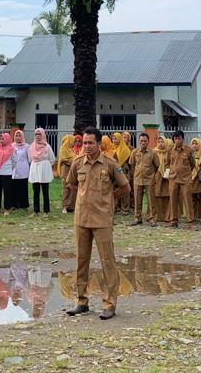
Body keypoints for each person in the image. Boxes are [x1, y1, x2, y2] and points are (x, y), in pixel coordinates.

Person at [64, 126, 130, 320]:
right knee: (81, 261)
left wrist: (109, 197)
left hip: (102, 219)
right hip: (82, 219)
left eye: (90, 142)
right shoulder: (77, 163)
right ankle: (81, 301)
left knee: (107, 261)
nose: (86, 146)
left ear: (99, 144)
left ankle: (109, 304)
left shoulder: (109, 163)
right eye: (84, 142)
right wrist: (84, 197)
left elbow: (125, 187)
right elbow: (71, 183)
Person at [165, 130, 196, 228]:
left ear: (183, 139)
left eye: (179, 139)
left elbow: (192, 164)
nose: (177, 141)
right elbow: (167, 162)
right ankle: (173, 220)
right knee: (173, 200)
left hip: (185, 179)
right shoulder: (170, 150)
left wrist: (186, 172)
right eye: (175, 139)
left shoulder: (188, 150)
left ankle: (190, 222)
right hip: (173, 178)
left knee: (188, 200)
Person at [128, 132, 160, 225]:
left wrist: (151, 175)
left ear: (148, 142)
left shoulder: (153, 153)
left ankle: (152, 218)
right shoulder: (134, 152)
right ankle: (137, 218)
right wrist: (136, 174)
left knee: (151, 200)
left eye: (145, 141)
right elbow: (132, 165)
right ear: (139, 141)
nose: (143, 143)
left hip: (149, 179)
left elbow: (157, 166)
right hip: (137, 179)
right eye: (141, 141)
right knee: (137, 200)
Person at [28, 128, 56, 216]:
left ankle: (46, 211)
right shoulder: (32, 146)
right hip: (35, 169)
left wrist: (44, 165)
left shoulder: (47, 146)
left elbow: (52, 159)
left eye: (39, 134)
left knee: (45, 191)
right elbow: (30, 159)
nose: (37, 136)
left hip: (44, 171)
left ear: (43, 135)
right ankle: (36, 211)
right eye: (36, 134)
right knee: (35, 191)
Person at [0, 132, 15, 215]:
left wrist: (9, 168)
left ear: (7, 139)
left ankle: (7, 208)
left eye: (3, 138)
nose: (1, 140)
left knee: (7, 191)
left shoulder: (11, 148)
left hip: (7, 172)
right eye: (1, 138)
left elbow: (15, 160)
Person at [112, 132, 133, 212]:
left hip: (124, 171)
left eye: (115, 138)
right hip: (114, 172)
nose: (114, 140)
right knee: (115, 189)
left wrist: (130, 173)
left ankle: (125, 208)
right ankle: (115, 207)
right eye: (113, 139)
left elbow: (130, 163)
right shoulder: (111, 149)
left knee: (125, 190)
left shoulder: (126, 150)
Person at [11, 129, 30, 211]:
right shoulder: (12, 146)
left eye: (19, 136)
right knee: (14, 187)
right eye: (16, 136)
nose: (18, 138)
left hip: (24, 169)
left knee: (23, 187)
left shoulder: (27, 146)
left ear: (22, 137)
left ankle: (24, 205)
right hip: (14, 169)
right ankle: (15, 204)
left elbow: (29, 158)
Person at [57, 134, 77, 213]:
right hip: (65, 170)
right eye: (73, 141)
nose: (74, 143)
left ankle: (71, 206)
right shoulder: (63, 148)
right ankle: (64, 206)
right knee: (66, 188)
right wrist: (74, 162)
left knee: (72, 188)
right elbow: (64, 159)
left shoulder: (71, 150)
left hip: (72, 170)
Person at [152, 136, 170, 223]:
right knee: (156, 195)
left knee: (166, 196)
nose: (160, 143)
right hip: (156, 176)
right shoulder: (153, 152)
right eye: (159, 142)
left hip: (166, 177)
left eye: (162, 142)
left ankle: (167, 216)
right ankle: (157, 216)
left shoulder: (168, 152)